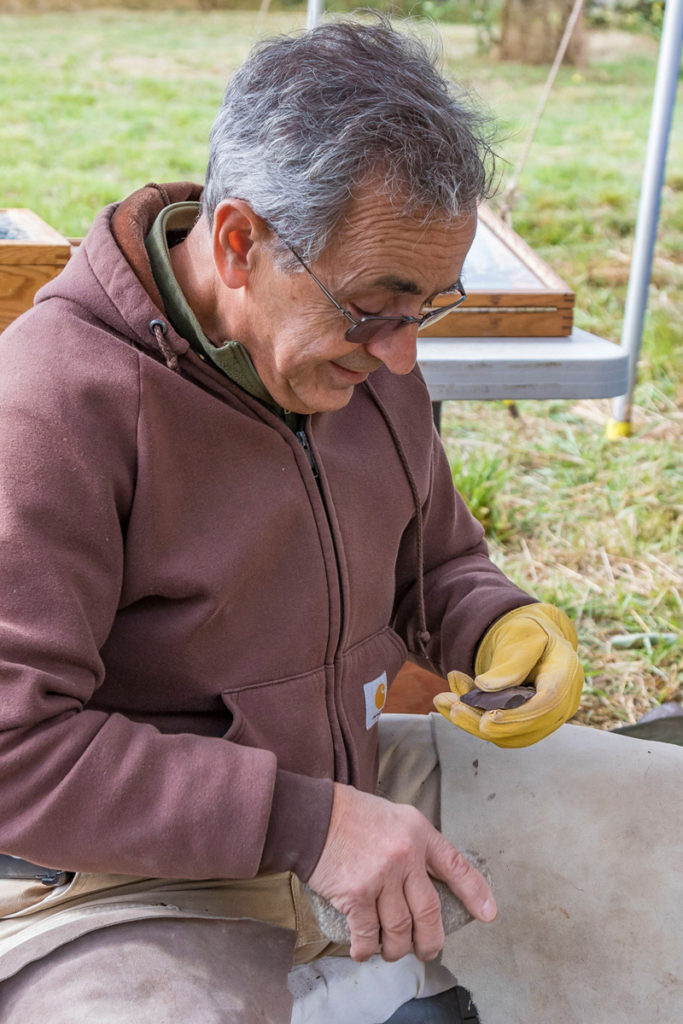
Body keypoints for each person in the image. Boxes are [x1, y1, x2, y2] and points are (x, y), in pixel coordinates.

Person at [0, 17, 679, 1024]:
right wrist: (306, 823)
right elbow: (14, 750)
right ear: (238, 242)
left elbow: (434, 555)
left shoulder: (349, 350)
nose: (402, 359)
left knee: (660, 830)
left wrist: (492, 620)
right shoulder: (53, 401)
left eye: (429, 310)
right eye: (376, 307)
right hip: (115, 876)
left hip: (361, 779)